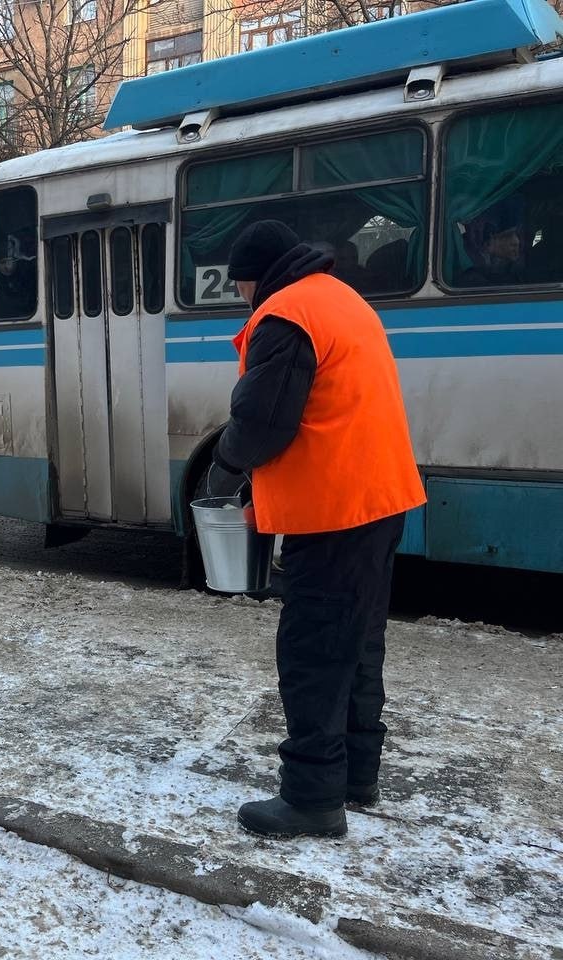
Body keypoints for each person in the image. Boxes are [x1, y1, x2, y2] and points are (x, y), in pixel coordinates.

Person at [207, 220, 425, 839]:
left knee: (314, 652)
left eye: (240, 287)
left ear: (252, 278)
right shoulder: (339, 297)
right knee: (358, 644)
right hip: (380, 498)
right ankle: (356, 774)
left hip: (335, 511)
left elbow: (262, 422)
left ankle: (312, 796)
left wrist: (223, 469)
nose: (244, 299)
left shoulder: (286, 313)